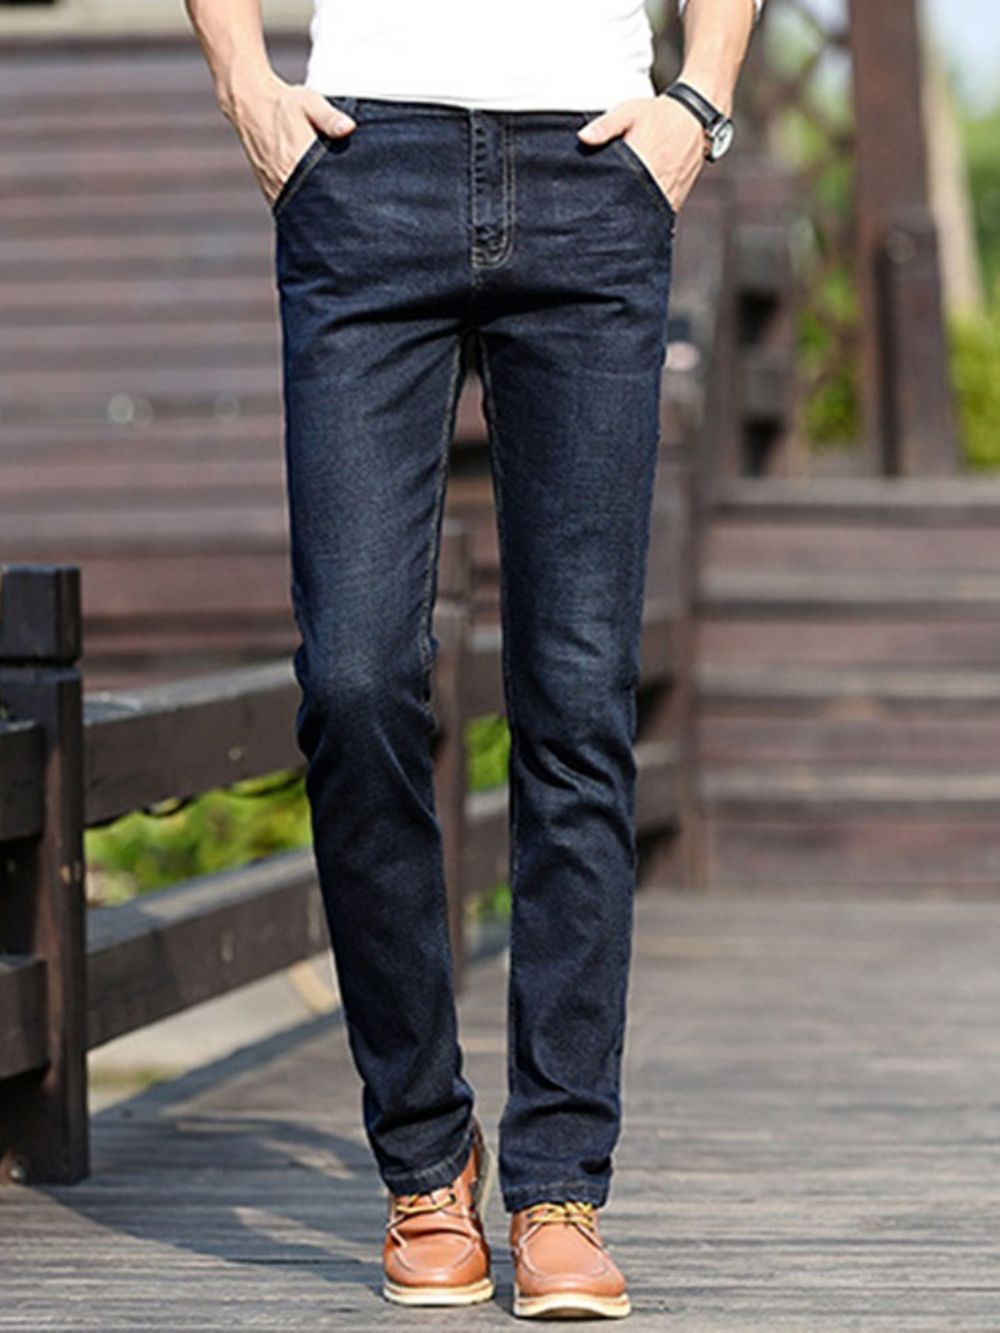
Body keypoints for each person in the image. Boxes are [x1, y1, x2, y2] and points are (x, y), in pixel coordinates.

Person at [185, 0, 762, 1318]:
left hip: (591, 168)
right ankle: (424, 1153)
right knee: (354, 680)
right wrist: (245, 86)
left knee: (576, 694)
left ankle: (559, 1184)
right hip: (363, 167)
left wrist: (701, 99)